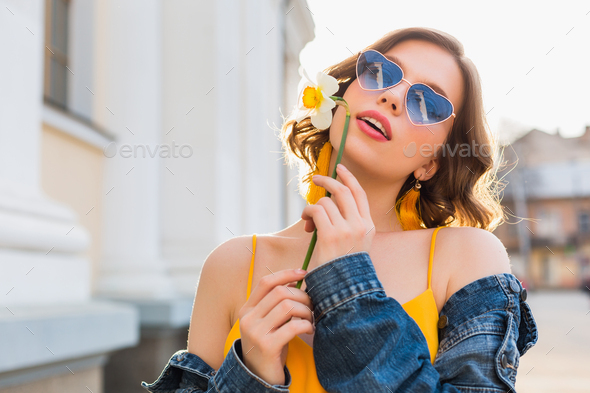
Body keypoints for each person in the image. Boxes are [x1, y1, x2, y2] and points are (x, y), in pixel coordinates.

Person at [142, 27, 538, 392]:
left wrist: (346, 283)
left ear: (430, 163)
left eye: (427, 102)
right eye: (381, 72)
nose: (393, 97)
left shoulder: (467, 256)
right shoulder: (232, 264)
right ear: (341, 94)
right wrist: (252, 373)